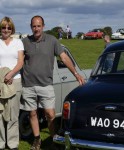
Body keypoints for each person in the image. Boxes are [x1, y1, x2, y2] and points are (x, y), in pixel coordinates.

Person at [21, 15, 85, 150]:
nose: (36, 29)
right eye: (34, 26)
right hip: (28, 84)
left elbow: (64, 57)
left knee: (50, 114)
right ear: (31, 27)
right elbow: (15, 58)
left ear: (43, 26)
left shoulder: (52, 40)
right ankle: (37, 139)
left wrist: (76, 73)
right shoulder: (24, 42)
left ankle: (53, 138)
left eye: (39, 26)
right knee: (32, 113)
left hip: (46, 84)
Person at [0, 16, 24, 150]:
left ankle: (13, 144)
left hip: (15, 81)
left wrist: (10, 74)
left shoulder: (18, 42)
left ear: (12, 29)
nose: (6, 30)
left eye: (9, 27)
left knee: (13, 115)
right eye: (3, 27)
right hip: (0, 83)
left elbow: (20, 62)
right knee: (0, 115)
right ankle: (1, 143)